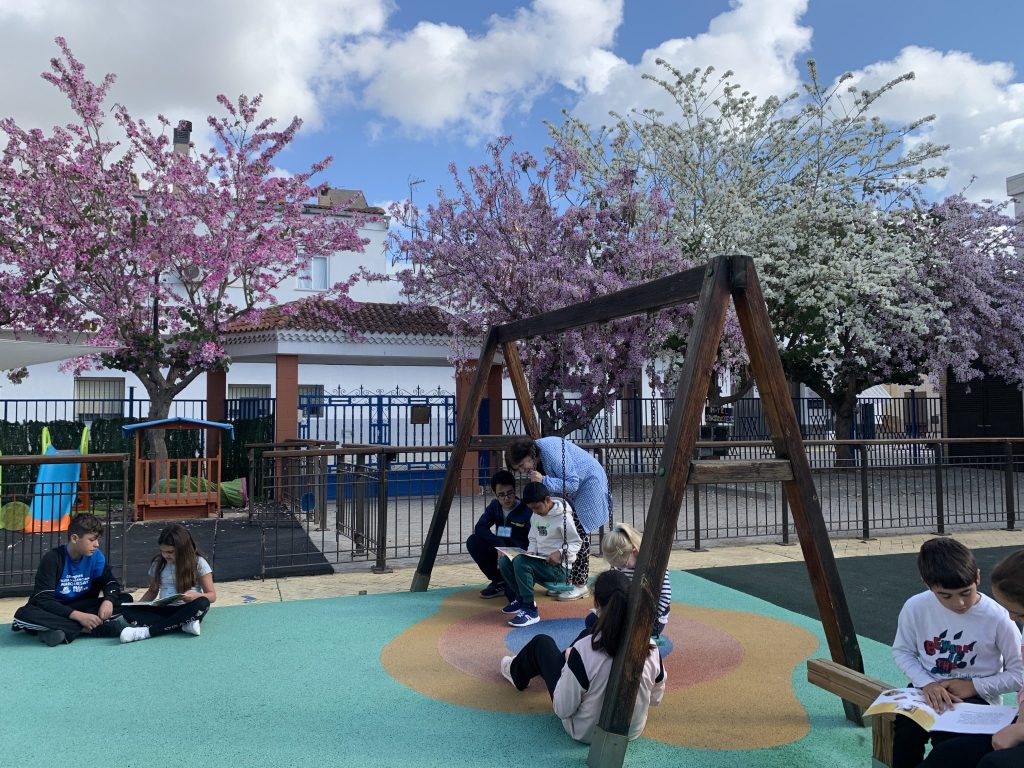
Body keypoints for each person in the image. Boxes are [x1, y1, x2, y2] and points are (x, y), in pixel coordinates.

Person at [890, 538, 1024, 768]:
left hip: (978, 699)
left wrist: (973, 686)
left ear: (977, 577)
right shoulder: (915, 607)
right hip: (927, 689)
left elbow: (1019, 674)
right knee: (905, 730)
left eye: (966, 592)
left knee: (949, 746)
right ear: (927, 584)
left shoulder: (999, 616)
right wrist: (927, 684)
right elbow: (902, 652)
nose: (959, 603)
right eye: (945, 596)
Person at [499, 569, 666, 744]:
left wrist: (571, 664)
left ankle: (516, 673)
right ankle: (563, 668)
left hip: (585, 731)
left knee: (542, 643)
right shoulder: (650, 647)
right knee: (587, 634)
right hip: (631, 730)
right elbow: (655, 699)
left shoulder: (584, 651)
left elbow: (562, 709)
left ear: (596, 603)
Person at [506, 436, 610, 601]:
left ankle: (580, 584)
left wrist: (544, 480)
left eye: (521, 465)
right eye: (517, 468)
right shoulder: (537, 458)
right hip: (575, 489)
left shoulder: (550, 451)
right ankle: (567, 581)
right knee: (565, 527)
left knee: (579, 531)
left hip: (588, 483)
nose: (521, 470)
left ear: (529, 454)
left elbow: (573, 483)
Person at [11, 512, 130, 646]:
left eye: (98, 540)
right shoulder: (53, 559)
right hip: (54, 609)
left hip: (81, 605)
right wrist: (79, 617)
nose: (97, 544)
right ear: (74, 538)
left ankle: (57, 629)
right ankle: (89, 629)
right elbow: (43, 599)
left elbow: (111, 583)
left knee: (125, 600)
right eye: (92, 540)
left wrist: (108, 600)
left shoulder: (96, 557)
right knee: (24, 614)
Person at [498, 481, 582, 627]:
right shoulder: (535, 515)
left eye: (537, 507)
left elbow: (576, 543)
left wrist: (560, 553)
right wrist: (531, 551)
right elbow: (533, 538)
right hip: (541, 561)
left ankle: (530, 610)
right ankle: (521, 599)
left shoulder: (563, 517)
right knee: (505, 561)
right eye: (531, 509)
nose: (535, 511)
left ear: (547, 500)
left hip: (559, 568)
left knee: (521, 562)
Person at [119, 523, 216, 643]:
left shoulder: (199, 563)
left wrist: (197, 596)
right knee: (128, 611)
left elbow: (212, 596)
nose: (165, 555)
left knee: (202, 603)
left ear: (183, 549)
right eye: (162, 551)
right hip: (164, 609)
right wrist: (139, 605)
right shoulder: (158, 563)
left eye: (170, 552)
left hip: (186, 608)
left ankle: (147, 632)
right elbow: (152, 591)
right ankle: (183, 625)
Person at [598, 523, 672, 642]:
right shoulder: (623, 564)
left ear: (634, 550)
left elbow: (665, 596)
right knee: (592, 620)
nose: (621, 568)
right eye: (617, 566)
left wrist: (650, 617)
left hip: (651, 619)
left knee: (616, 631)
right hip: (629, 612)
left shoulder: (655, 567)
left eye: (623, 564)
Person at [466, 470, 532, 599]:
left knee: (513, 596)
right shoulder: (494, 506)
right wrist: (498, 544)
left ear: (515, 490)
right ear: (495, 494)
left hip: (519, 555)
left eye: (509, 493)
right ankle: (499, 580)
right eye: (501, 495)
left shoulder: (526, 510)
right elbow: (480, 527)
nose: (506, 498)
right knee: (473, 541)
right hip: (500, 551)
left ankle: (517, 582)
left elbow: (533, 539)